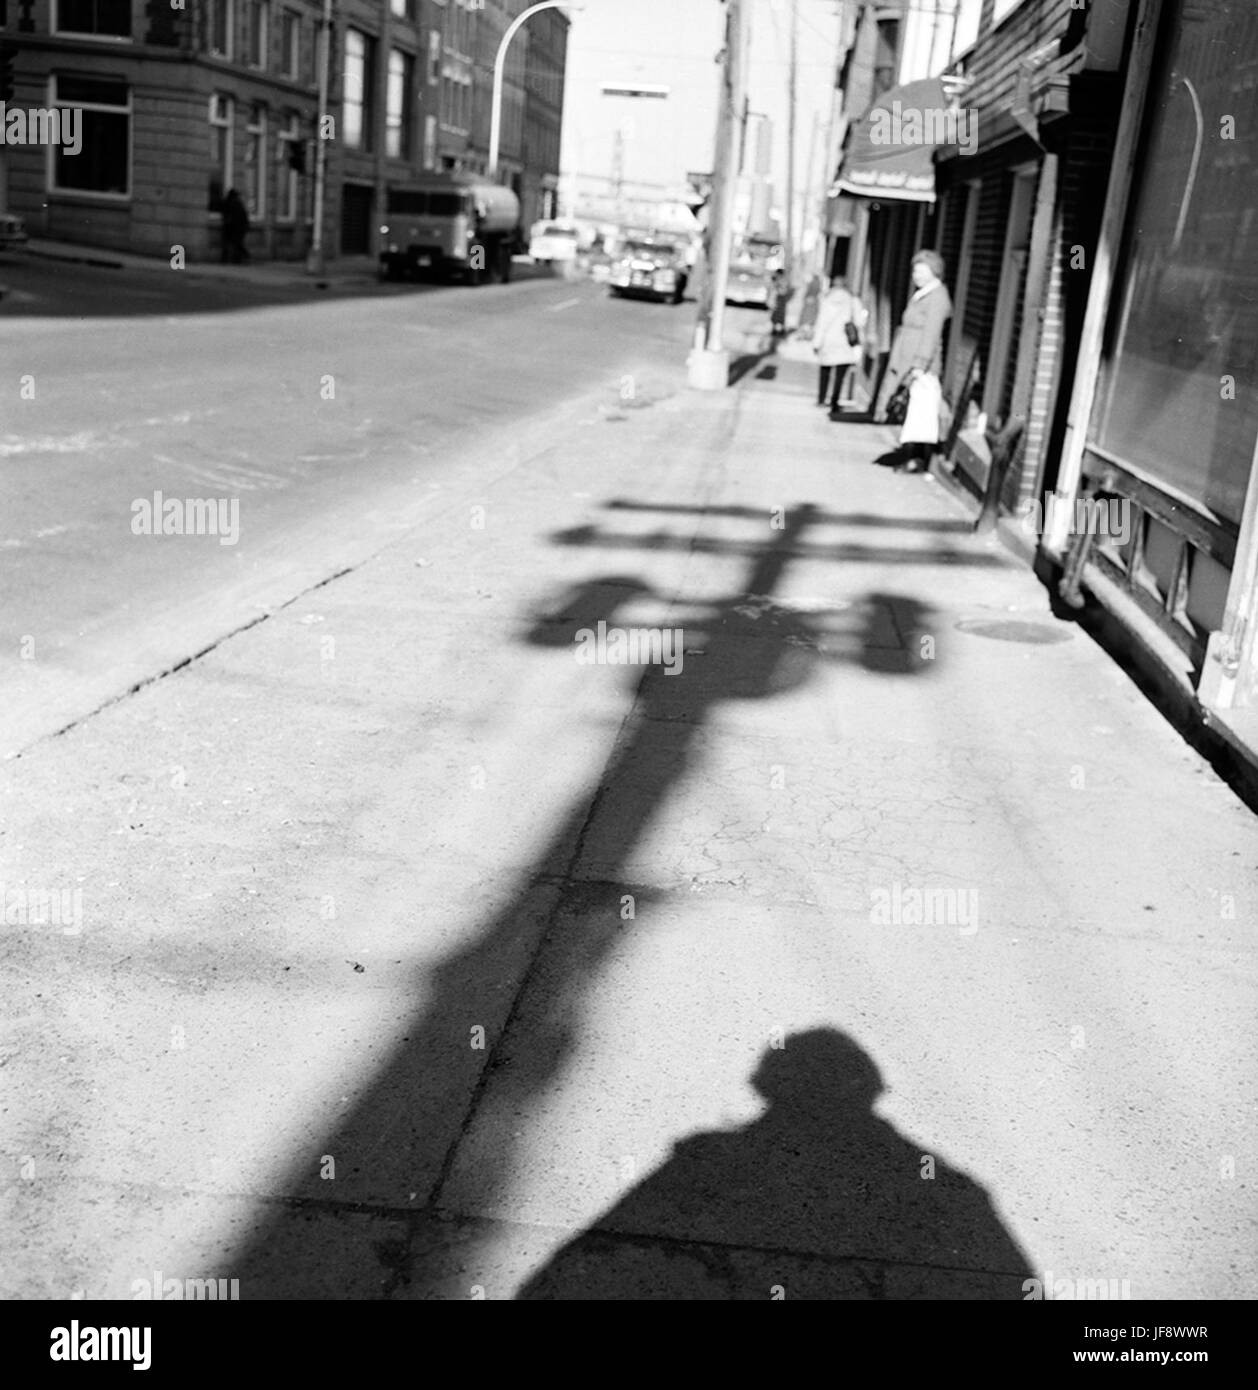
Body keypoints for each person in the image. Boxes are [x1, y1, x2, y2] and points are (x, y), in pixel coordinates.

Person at [874, 249, 952, 472]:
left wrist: (920, 364)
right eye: (914, 270)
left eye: (921, 270)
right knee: (913, 411)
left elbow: (931, 333)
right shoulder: (922, 294)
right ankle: (910, 455)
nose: (915, 275)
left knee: (922, 412)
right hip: (907, 360)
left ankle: (918, 459)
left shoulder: (937, 297)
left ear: (934, 271)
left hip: (921, 366)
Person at [811, 276, 868, 417]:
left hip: (828, 341)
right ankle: (835, 402)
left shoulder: (827, 299)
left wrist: (816, 343)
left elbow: (821, 323)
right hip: (844, 342)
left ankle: (821, 398)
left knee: (825, 371)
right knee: (840, 376)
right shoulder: (852, 300)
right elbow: (860, 322)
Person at [220, 188, 250, 264]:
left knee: (232, 244)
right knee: (237, 244)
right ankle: (238, 259)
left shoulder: (230, 203)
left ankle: (228, 259)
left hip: (232, 228)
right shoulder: (238, 203)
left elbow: (228, 215)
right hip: (238, 228)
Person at [768, 268, 790, 337]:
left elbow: (783, 291)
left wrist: (777, 287)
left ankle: (780, 330)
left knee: (779, 315)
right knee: (775, 315)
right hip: (778, 299)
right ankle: (775, 329)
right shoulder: (778, 280)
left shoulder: (783, 281)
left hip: (781, 300)